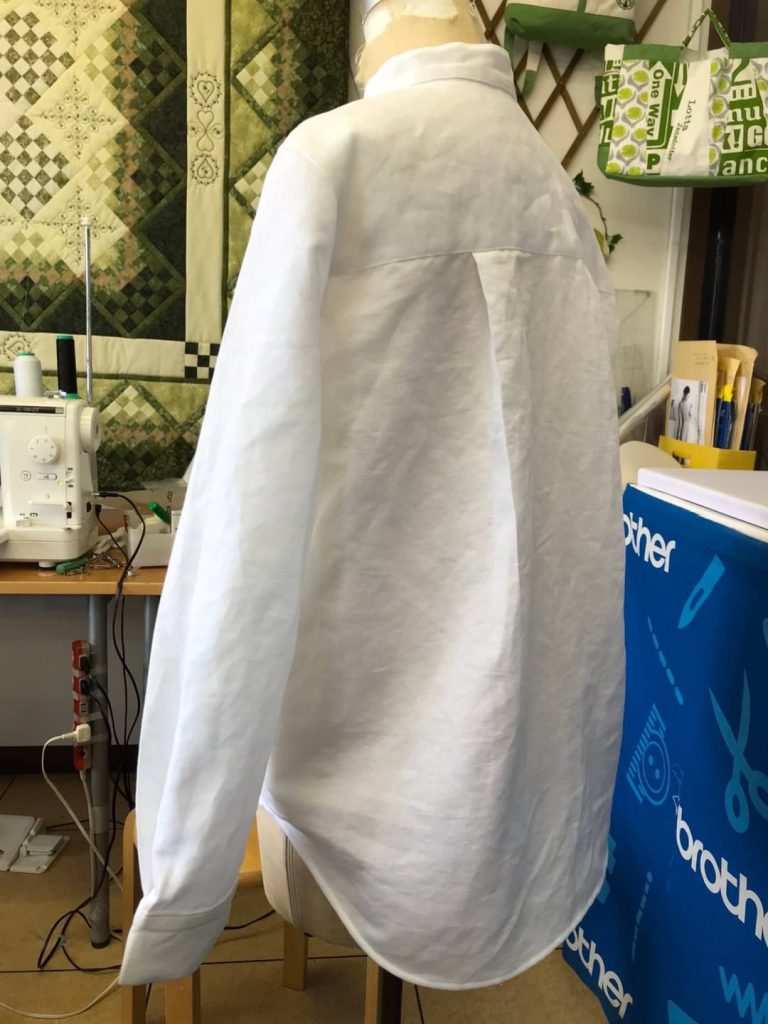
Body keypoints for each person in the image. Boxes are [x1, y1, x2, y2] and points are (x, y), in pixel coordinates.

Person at [121, 0, 625, 991]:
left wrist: (184, 874)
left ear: (375, 38)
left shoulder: (332, 162)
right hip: (511, 799)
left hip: (343, 790)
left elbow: (244, 518)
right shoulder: (562, 206)